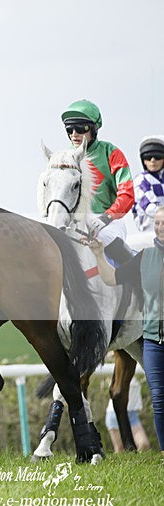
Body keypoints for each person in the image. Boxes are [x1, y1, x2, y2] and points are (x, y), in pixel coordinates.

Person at [86, 204, 164, 455]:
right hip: (153, 342)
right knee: (160, 401)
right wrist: (99, 255)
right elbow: (112, 278)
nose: (160, 228)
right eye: (158, 223)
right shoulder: (144, 257)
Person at [61, 99, 133, 253]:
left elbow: (127, 194)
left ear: (94, 129)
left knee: (105, 238)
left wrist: (106, 217)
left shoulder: (111, 153)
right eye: (69, 129)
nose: (74, 134)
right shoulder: (65, 159)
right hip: (76, 222)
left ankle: (132, 274)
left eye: (80, 128)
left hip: (109, 221)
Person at [104, 375, 150, 452]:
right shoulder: (117, 372)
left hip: (132, 415)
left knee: (144, 444)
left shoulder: (138, 372)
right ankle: (120, 463)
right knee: (120, 449)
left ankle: (138, 462)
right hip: (114, 414)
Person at [132, 135, 164, 232]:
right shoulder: (140, 180)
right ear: (143, 160)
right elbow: (149, 207)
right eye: (148, 157)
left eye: (158, 156)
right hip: (149, 234)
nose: (153, 160)